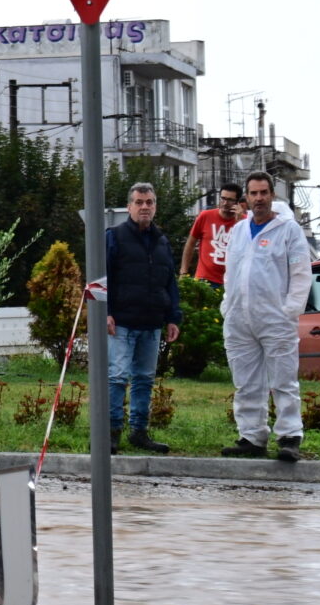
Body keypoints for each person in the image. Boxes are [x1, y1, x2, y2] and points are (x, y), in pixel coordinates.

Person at [219, 171, 314, 464]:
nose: (258, 198)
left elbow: (300, 274)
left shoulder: (288, 231)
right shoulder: (238, 231)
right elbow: (230, 273)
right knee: (246, 381)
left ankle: (289, 436)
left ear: (272, 195)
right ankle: (251, 436)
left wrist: (290, 310)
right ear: (246, 197)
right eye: (253, 193)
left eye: (264, 193)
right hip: (239, 318)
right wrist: (227, 306)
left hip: (275, 318)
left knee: (283, 379)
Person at [103, 181, 180, 454]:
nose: (144, 207)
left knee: (145, 379)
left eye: (149, 202)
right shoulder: (114, 237)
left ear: (155, 206)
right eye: (139, 202)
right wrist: (106, 312)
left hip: (152, 322)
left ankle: (139, 432)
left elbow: (169, 281)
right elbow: (103, 278)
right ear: (129, 207)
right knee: (117, 378)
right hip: (121, 322)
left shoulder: (162, 241)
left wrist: (173, 317)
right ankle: (111, 432)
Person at [181, 182, 243, 287]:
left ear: (237, 202)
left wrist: (239, 222)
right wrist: (183, 272)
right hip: (204, 278)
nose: (225, 202)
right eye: (222, 198)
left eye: (229, 200)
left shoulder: (244, 222)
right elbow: (190, 244)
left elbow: (245, 249)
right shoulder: (205, 216)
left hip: (232, 281)